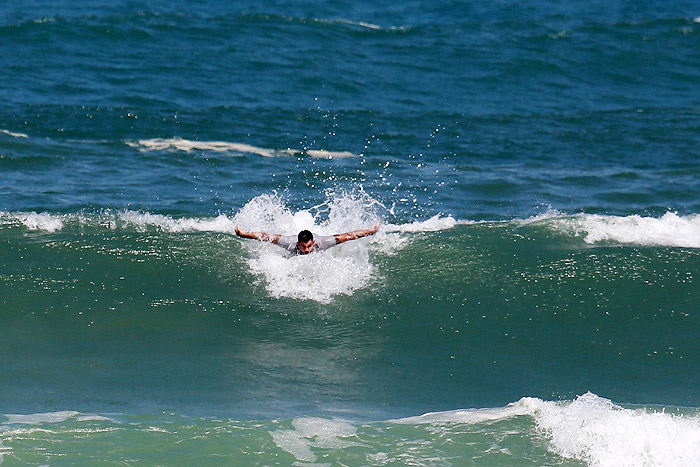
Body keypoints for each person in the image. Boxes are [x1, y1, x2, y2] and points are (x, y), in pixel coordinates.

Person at [235, 221, 380, 255]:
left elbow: (349, 236)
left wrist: (371, 231)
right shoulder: (289, 243)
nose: (307, 250)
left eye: (309, 246)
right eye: (303, 247)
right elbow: (266, 237)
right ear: (298, 244)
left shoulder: (323, 243)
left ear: (314, 243)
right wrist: (243, 234)